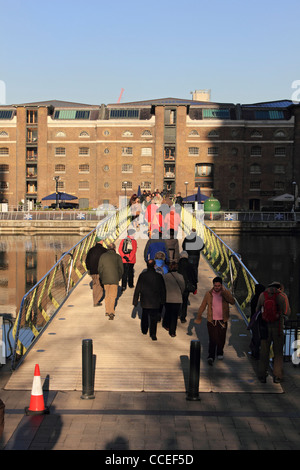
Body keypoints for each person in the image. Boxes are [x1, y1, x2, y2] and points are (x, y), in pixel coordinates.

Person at [256, 281, 291, 383]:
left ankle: (262, 375)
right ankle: (277, 376)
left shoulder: (263, 295)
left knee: (264, 351)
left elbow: (257, 309)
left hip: (265, 327)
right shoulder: (282, 296)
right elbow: (287, 312)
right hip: (278, 327)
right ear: (279, 288)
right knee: (278, 352)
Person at [194, 276, 235, 365]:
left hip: (222, 320)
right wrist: (199, 316)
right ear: (213, 285)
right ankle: (211, 356)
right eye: (215, 286)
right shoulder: (208, 294)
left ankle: (220, 352)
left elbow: (232, 302)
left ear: (221, 285)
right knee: (212, 339)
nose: (217, 287)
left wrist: (225, 293)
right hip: (211, 320)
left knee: (221, 338)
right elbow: (203, 305)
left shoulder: (225, 293)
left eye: (219, 286)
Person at [133, 259, 166, 341]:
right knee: (154, 318)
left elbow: (138, 288)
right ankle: (153, 334)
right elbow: (163, 289)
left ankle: (144, 330)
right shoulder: (159, 276)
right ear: (154, 266)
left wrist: (135, 300)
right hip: (155, 301)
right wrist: (163, 300)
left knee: (144, 315)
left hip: (145, 300)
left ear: (147, 265)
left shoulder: (142, 275)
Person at [98, 243, 124, 320]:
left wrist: (102, 277)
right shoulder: (118, 257)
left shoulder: (103, 256)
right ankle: (111, 311)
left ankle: (107, 310)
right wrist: (118, 277)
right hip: (114, 279)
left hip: (105, 278)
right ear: (114, 248)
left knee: (107, 295)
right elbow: (121, 269)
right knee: (113, 296)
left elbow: (100, 268)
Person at [162, 261, 185, 337]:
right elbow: (183, 287)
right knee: (174, 315)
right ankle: (172, 331)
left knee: (168, 312)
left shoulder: (165, 276)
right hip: (177, 298)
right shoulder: (180, 276)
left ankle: (166, 324)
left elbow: (163, 287)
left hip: (168, 297)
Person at [85, 236, 107, 307]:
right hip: (100, 271)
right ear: (101, 241)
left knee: (95, 284)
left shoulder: (91, 250)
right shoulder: (104, 250)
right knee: (98, 285)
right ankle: (96, 301)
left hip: (92, 270)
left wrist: (88, 269)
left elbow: (87, 261)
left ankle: (96, 300)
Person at [178, 251, 197, 323]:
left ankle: (178, 313)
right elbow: (194, 277)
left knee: (178, 300)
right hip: (186, 286)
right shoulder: (190, 265)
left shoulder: (177, 265)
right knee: (185, 301)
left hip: (179, 285)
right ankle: (183, 317)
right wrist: (195, 286)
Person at [247, 283, 265, 359]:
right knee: (258, 336)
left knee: (255, 336)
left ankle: (254, 351)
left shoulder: (254, 298)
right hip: (258, 320)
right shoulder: (260, 299)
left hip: (253, 319)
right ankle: (256, 353)